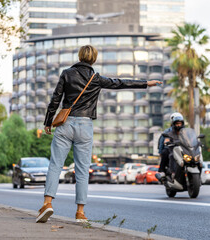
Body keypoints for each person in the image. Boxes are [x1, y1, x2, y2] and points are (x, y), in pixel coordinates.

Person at [36, 45, 162, 223]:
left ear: (80, 56)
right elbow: (119, 83)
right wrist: (145, 83)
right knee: (82, 170)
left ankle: (47, 204)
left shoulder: (66, 73)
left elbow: (55, 99)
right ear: (93, 59)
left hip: (66, 124)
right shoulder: (96, 78)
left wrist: (48, 121)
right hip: (85, 126)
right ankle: (80, 213)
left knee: (56, 165)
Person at [156, 113, 185, 184]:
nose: (178, 125)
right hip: (171, 149)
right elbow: (163, 141)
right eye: (177, 123)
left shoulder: (184, 131)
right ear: (173, 123)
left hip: (183, 149)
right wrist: (161, 151)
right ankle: (163, 171)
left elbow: (189, 139)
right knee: (166, 153)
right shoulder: (168, 132)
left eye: (180, 123)